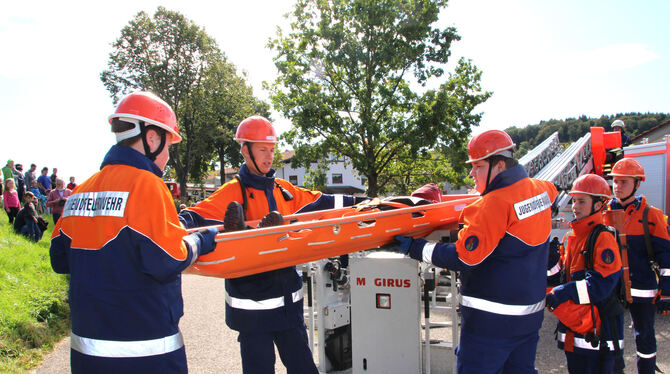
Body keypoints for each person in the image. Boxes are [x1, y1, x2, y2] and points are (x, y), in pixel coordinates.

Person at [49, 91, 218, 374]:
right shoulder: (148, 185)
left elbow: (59, 260)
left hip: (87, 355)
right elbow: (167, 259)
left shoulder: (82, 190)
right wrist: (200, 240)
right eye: (168, 145)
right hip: (147, 353)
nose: (166, 155)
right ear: (152, 138)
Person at [179, 115, 357, 374]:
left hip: (288, 309)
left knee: (304, 369)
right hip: (252, 313)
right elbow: (194, 216)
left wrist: (365, 203)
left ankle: (261, 233)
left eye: (272, 150)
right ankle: (249, 235)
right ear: (245, 150)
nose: (269, 156)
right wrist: (172, 222)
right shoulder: (232, 193)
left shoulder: (283, 191)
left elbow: (324, 202)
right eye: (263, 149)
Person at [392, 129, 558, 374]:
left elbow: (463, 256)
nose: (471, 173)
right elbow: (546, 198)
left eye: (477, 166)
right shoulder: (542, 190)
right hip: (529, 317)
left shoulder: (489, 206)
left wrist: (417, 248)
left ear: (499, 166)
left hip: (490, 323)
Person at [545, 174, 624, 373]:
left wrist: (562, 292)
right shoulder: (573, 236)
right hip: (578, 330)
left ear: (598, 205)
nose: (575, 206)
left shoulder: (603, 238)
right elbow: (562, 277)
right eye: (574, 200)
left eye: (582, 201)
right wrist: (550, 265)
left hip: (600, 333)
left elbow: (599, 286)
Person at [609, 158, 670, 374]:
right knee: (612, 338)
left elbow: (666, 257)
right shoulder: (605, 215)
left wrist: (666, 292)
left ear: (637, 184)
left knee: (644, 336)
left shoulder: (651, 215)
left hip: (643, 287)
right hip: (613, 288)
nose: (618, 187)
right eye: (615, 182)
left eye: (623, 182)